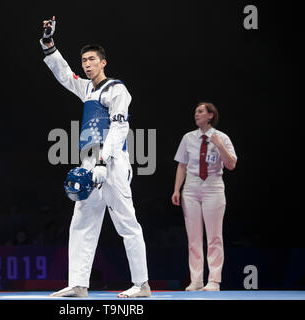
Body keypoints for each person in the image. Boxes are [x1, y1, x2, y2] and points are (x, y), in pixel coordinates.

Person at [40, 16, 150, 298]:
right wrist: (49, 44)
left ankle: (142, 285)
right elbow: (64, 74)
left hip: (112, 162)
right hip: (88, 162)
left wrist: (103, 161)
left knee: (126, 223)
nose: (86, 64)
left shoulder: (116, 89)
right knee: (81, 223)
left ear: (103, 62)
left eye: (91, 59)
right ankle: (78, 284)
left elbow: (120, 126)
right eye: (83, 60)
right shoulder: (86, 88)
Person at [171, 102, 237, 291]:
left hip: (213, 188)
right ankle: (196, 280)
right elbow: (182, 165)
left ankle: (214, 280)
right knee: (193, 237)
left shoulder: (222, 137)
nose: (196, 115)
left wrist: (219, 145)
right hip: (191, 189)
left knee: (215, 237)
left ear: (210, 115)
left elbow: (231, 164)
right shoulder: (188, 138)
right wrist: (177, 189)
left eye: (200, 112)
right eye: (195, 112)